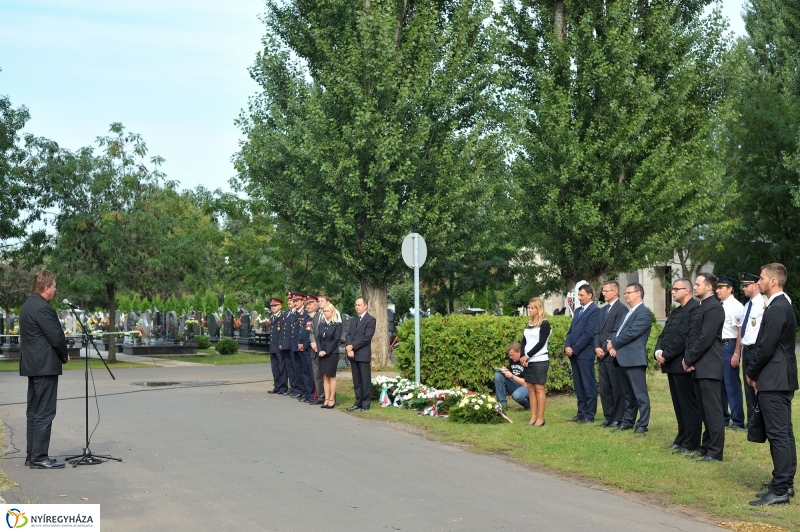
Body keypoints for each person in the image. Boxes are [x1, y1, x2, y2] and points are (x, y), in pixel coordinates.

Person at [746, 263, 797, 506]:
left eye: (762, 277)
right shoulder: (779, 305)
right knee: (784, 433)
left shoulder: (777, 308)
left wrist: (751, 371)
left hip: (774, 379)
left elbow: (766, 347)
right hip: (778, 378)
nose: (759, 281)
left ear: (773, 281)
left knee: (779, 434)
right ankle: (785, 485)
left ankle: (780, 488)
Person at [19, 270, 69, 469]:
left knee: (33, 412)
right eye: (54, 286)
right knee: (44, 412)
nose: (56, 290)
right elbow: (56, 336)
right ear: (46, 288)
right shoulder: (43, 308)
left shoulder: (28, 305)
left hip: (33, 365)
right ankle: (40, 457)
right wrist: (64, 354)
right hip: (44, 366)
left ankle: (32, 454)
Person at [683, 273, 725, 462]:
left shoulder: (714, 308)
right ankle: (706, 446)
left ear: (709, 287)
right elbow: (692, 336)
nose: (695, 287)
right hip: (699, 365)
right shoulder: (702, 306)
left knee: (712, 410)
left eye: (698, 284)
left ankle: (715, 451)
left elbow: (705, 338)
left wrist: (689, 358)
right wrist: (689, 358)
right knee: (703, 409)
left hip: (709, 364)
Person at [654, 278, 701, 454]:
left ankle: (691, 441)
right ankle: (681, 437)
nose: (672, 292)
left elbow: (683, 338)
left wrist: (666, 354)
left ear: (687, 291)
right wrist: (658, 351)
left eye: (676, 289)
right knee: (678, 405)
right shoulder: (676, 311)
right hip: (671, 364)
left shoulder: (693, 309)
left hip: (682, 364)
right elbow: (664, 334)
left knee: (688, 405)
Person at [607, 283, 653, 434]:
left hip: (634, 359)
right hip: (622, 358)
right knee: (628, 394)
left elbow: (631, 333)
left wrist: (613, 343)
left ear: (638, 293)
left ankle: (643, 424)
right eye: (625, 293)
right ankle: (628, 421)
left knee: (640, 394)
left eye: (628, 293)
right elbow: (617, 330)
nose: (625, 295)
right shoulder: (628, 313)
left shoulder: (644, 313)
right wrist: (612, 343)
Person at [593, 281, 628, 428]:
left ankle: (618, 418)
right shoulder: (602, 310)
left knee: (616, 387)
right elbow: (596, 332)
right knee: (605, 388)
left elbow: (617, 331)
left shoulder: (621, 310)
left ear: (615, 292)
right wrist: (596, 348)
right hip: (601, 355)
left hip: (612, 356)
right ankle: (608, 416)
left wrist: (606, 349)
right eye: (603, 290)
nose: (603, 293)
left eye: (606, 290)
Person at [564, 284, 600, 423]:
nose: (579, 298)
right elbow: (571, 331)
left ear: (590, 295)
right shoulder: (578, 311)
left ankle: (589, 414)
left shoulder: (594, 311)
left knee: (588, 384)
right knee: (579, 385)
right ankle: (581, 412)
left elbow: (588, 334)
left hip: (585, 354)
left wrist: (575, 348)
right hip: (574, 354)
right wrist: (567, 345)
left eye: (582, 295)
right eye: (578, 295)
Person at [716, 275, 746, 431]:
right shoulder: (719, 305)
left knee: (731, 384)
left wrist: (736, 353)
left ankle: (738, 420)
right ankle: (723, 418)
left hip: (730, 344)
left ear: (730, 289)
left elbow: (740, 331)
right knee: (720, 383)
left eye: (721, 287)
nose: (717, 290)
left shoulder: (736, 306)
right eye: (717, 287)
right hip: (718, 346)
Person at [737, 272, 765, 427]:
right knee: (747, 387)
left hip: (756, 349)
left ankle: (760, 421)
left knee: (757, 385)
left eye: (746, 285)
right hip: (746, 350)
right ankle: (751, 422)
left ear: (756, 285)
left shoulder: (762, 305)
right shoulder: (747, 306)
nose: (744, 289)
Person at [520, 297, 551, 426]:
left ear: (539, 309)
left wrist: (528, 355)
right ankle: (533, 416)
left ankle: (541, 417)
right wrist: (522, 355)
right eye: (529, 308)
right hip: (527, 360)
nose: (530, 310)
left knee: (539, 388)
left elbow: (541, 342)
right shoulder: (529, 323)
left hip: (539, 360)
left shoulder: (545, 323)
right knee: (531, 389)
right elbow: (524, 341)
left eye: (532, 308)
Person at [345, 297, 376, 411]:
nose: (356, 307)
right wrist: (349, 349)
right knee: (356, 380)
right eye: (356, 305)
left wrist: (353, 346)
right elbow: (348, 335)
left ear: (365, 306)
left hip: (362, 354)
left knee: (365, 379)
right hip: (352, 354)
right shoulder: (353, 320)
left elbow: (366, 337)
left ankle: (366, 403)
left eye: (359, 305)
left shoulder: (370, 320)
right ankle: (358, 401)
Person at [317, 305, 343, 409]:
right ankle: (326, 398)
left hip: (332, 353)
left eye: (328, 311)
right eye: (325, 311)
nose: (326, 313)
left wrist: (327, 352)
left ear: (332, 312)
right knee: (324, 376)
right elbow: (318, 339)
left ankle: (332, 399)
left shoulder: (337, 324)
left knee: (331, 376)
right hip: (322, 353)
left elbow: (336, 340)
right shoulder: (322, 324)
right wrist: (319, 350)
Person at [494, 342, 531, 411]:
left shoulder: (527, 361)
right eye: (510, 355)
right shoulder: (512, 360)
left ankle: (530, 406)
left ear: (519, 352)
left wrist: (512, 376)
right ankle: (502, 405)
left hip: (527, 387)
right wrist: (505, 371)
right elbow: (513, 373)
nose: (510, 357)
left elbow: (527, 383)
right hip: (516, 385)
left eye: (512, 355)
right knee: (498, 375)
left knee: (517, 395)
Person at [305, 295, 325, 405]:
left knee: (325, 375)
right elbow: (312, 331)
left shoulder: (330, 313)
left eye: (322, 301)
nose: (320, 303)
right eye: (319, 301)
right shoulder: (317, 315)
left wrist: (320, 345)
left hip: (324, 349)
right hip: (315, 348)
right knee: (316, 374)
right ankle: (320, 397)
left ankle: (328, 397)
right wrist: (313, 342)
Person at [267, 297, 288, 395]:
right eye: (271, 306)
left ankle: (283, 387)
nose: (273, 307)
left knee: (282, 367)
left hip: (280, 346)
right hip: (273, 347)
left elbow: (283, 333)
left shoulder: (283, 316)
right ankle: (277, 385)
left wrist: (281, 344)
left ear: (280, 306)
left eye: (275, 305)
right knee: (274, 367)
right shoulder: (272, 317)